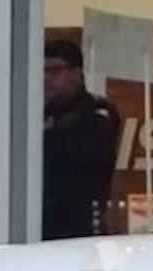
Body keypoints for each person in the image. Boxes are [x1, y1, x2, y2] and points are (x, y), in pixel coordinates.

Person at [42, 39, 121, 240]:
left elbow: (80, 156)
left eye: (54, 70)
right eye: (41, 71)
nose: (45, 78)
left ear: (77, 73)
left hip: (79, 228)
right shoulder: (36, 113)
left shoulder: (97, 113)